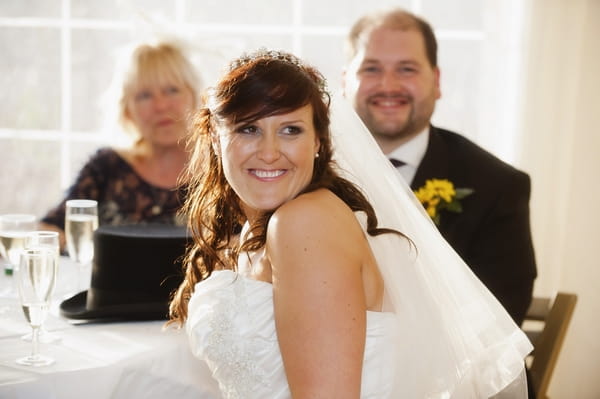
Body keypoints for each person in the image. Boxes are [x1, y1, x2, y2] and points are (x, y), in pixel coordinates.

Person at [168, 49, 532, 398]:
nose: (268, 151)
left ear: (317, 142)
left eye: (291, 130)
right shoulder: (256, 231)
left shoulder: (305, 223)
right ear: (216, 139)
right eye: (248, 129)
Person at [342, 8, 537, 326]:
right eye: (371, 69)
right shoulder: (308, 172)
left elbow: (499, 316)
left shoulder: (498, 186)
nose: (388, 85)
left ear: (436, 81)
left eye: (406, 69)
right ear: (345, 81)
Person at [40, 39, 201, 248]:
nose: (160, 105)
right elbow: (49, 230)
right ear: (127, 110)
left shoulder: (221, 171)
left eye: (172, 90)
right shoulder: (105, 166)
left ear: (195, 97)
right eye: (144, 96)